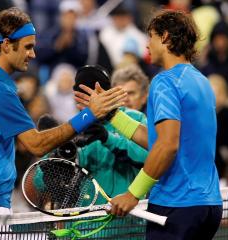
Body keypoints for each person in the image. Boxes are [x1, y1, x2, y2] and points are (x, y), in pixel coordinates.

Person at [0, 7, 126, 219]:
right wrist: (89, 114)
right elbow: (36, 144)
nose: (33, 54)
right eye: (28, 47)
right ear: (6, 45)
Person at [75, 10, 223, 240]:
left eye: (151, 37)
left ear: (164, 37)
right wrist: (112, 115)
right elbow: (158, 140)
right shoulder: (201, 81)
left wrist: (133, 194)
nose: (147, 45)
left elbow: (167, 146)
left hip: (176, 205)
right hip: (208, 206)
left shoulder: (165, 81)